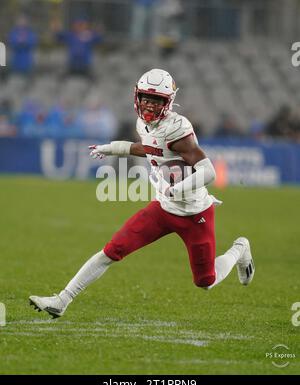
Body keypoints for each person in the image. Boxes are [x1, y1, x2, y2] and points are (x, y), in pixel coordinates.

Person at [29, 69, 255, 318]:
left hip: (194, 212)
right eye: (146, 97)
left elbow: (209, 171)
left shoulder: (178, 130)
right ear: (137, 96)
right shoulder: (143, 123)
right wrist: (111, 148)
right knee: (111, 251)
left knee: (206, 281)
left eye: (156, 100)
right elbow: (149, 149)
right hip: (162, 208)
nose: (149, 104)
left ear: (168, 102)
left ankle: (240, 249)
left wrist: (177, 189)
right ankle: (62, 300)